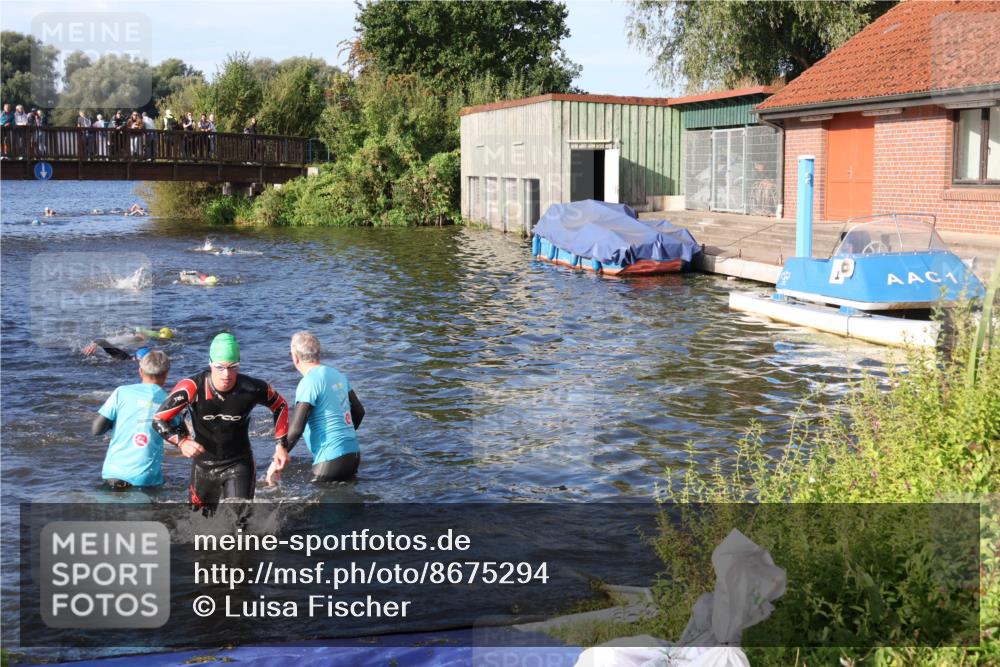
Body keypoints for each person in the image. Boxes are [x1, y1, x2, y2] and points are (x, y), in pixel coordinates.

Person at [153, 333, 289, 509]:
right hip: (203, 466)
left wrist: (281, 446)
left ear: (239, 364)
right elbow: (159, 420)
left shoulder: (251, 388)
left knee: (239, 519)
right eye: (219, 367)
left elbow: (280, 406)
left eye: (233, 367)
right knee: (199, 521)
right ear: (210, 364)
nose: (226, 374)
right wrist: (182, 442)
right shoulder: (192, 387)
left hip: (239, 463)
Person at [267, 331, 364, 485]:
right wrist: (342, 437)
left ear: (295, 357)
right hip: (353, 455)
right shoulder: (338, 375)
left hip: (330, 459)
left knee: (308, 501)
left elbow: (296, 429)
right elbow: (359, 411)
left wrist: (277, 459)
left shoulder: (309, 382)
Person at [91, 350, 172, 490]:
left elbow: (96, 430)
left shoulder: (121, 392)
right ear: (166, 374)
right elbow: (177, 435)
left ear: (140, 371)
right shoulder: (169, 400)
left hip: (114, 472)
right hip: (145, 478)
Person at [84, 327, 173, 360]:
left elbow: (102, 341)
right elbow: (102, 341)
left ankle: (139, 334)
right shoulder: (123, 357)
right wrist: (94, 344)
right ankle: (139, 334)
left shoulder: (124, 357)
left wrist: (95, 344)